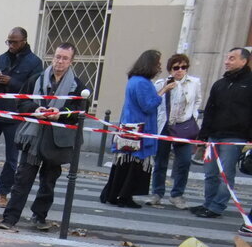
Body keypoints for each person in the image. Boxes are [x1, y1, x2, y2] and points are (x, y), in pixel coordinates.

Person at [0, 43, 88, 230]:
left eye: (64, 58)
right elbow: (21, 103)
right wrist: (34, 109)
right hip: (33, 137)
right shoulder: (36, 79)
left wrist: (61, 112)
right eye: (57, 57)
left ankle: (39, 217)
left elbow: (80, 111)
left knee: (49, 182)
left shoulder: (77, 85)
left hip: (57, 140)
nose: (59, 62)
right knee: (22, 179)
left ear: (71, 61)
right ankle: (10, 218)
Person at [0, 27, 43, 208]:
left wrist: (11, 82)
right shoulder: (1, 58)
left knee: (12, 158)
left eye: (14, 42)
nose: (11, 45)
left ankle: (3, 192)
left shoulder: (34, 63)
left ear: (24, 41)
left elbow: (32, 90)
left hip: (15, 116)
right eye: (8, 41)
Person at [100, 50, 176, 208]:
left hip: (130, 126)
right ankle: (125, 196)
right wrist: (163, 91)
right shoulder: (142, 82)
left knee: (123, 165)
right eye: (157, 64)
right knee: (134, 165)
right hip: (140, 129)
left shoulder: (133, 80)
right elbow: (148, 105)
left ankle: (114, 193)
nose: (159, 67)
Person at [191, 47, 252, 219]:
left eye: (232, 58)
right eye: (226, 58)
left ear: (244, 61)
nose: (227, 61)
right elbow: (210, 111)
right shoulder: (220, 84)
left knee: (225, 174)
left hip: (234, 137)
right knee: (210, 172)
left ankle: (217, 207)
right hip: (213, 136)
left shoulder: (250, 84)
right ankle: (208, 203)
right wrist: (202, 137)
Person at [144, 54, 202, 209]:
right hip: (165, 126)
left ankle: (177, 195)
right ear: (170, 69)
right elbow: (154, 100)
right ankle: (157, 193)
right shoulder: (162, 83)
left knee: (184, 161)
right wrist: (165, 89)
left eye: (184, 67)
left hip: (184, 127)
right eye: (176, 67)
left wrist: (194, 116)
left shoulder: (194, 83)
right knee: (160, 161)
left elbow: (197, 100)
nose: (180, 70)